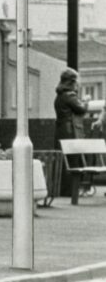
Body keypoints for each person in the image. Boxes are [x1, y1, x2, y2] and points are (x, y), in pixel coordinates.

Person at [54, 68, 91, 197]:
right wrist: (86, 101)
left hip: (61, 130)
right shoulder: (70, 96)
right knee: (73, 160)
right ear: (72, 82)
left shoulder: (59, 96)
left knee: (65, 161)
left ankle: (64, 190)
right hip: (71, 131)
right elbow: (81, 110)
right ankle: (70, 191)